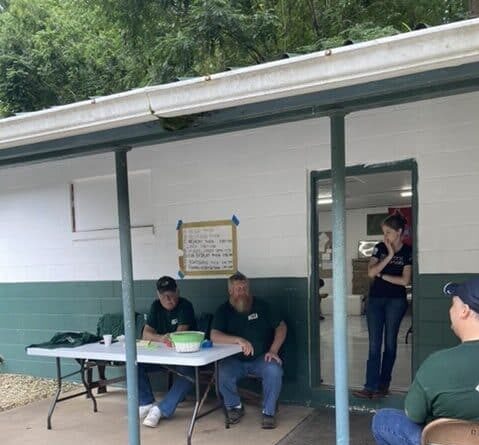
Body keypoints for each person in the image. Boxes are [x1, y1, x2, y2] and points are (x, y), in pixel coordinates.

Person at [372, 277, 479, 445]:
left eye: (453, 304)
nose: (451, 310)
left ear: (464, 311)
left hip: (448, 440)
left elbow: (414, 414)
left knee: (383, 419)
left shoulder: (437, 364)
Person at [210, 272, 287, 429]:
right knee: (221, 372)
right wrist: (238, 340)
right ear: (230, 291)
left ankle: (269, 412)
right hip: (234, 360)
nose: (242, 292)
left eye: (244, 288)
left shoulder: (262, 306)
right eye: (238, 289)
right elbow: (214, 336)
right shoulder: (223, 310)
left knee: (274, 370)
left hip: (261, 358)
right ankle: (234, 407)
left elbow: (281, 326)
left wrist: (273, 350)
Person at [353, 212, 412, 399]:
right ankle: (369, 386)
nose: (385, 236)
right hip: (375, 300)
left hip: (396, 301)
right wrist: (390, 255)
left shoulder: (408, 251)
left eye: (388, 232)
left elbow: (405, 281)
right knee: (374, 345)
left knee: (390, 344)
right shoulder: (379, 248)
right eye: (384, 232)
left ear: (399, 232)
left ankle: (383, 385)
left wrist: (383, 275)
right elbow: (371, 272)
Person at [138, 275, 196, 427]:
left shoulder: (185, 305)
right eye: (164, 296)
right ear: (158, 295)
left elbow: (179, 335)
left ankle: (161, 409)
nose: (169, 299)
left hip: (184, 358)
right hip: (162, 357)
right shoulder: (156, 306)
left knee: (190, 376)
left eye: (171, 294)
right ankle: (146, 402)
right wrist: (161, 337)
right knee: (135, 364)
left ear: (178, 291)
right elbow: (145, 334)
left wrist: (161, 338)